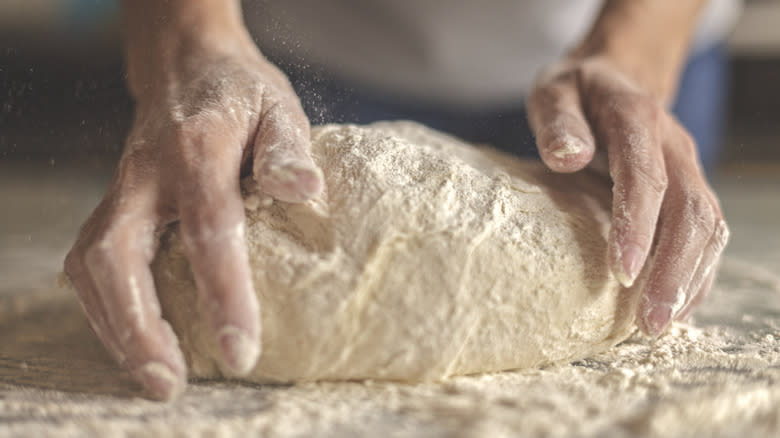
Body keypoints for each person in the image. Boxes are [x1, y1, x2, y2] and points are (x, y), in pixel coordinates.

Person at [63, 0, 736, 400]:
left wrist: (634, 54)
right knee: (233, 214)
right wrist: (190, 43)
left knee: (633, 236)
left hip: (607, 54)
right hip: (318, 40)